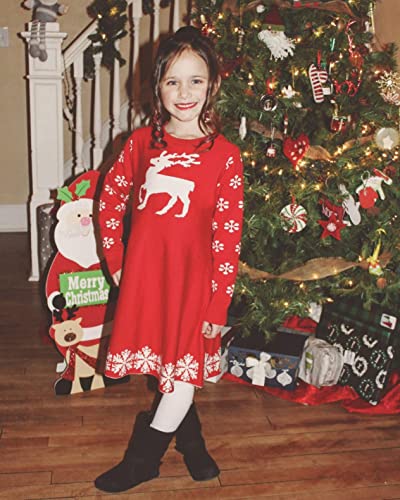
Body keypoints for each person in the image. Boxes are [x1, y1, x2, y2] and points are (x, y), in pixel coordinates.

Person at [95, 25, 244, 493]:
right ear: (157, 86)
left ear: (212, 84)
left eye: (195, 80)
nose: (184, 93)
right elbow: (109, 201)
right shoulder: (141, 144)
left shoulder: (225, 156)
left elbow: (228, 238)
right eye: (173, 81)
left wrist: (218, 305)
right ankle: (193, 444)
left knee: (179, 377)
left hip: (193, 288)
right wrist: (117, 262)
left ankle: (142, 461)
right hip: (145, 280)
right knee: (169, 370)